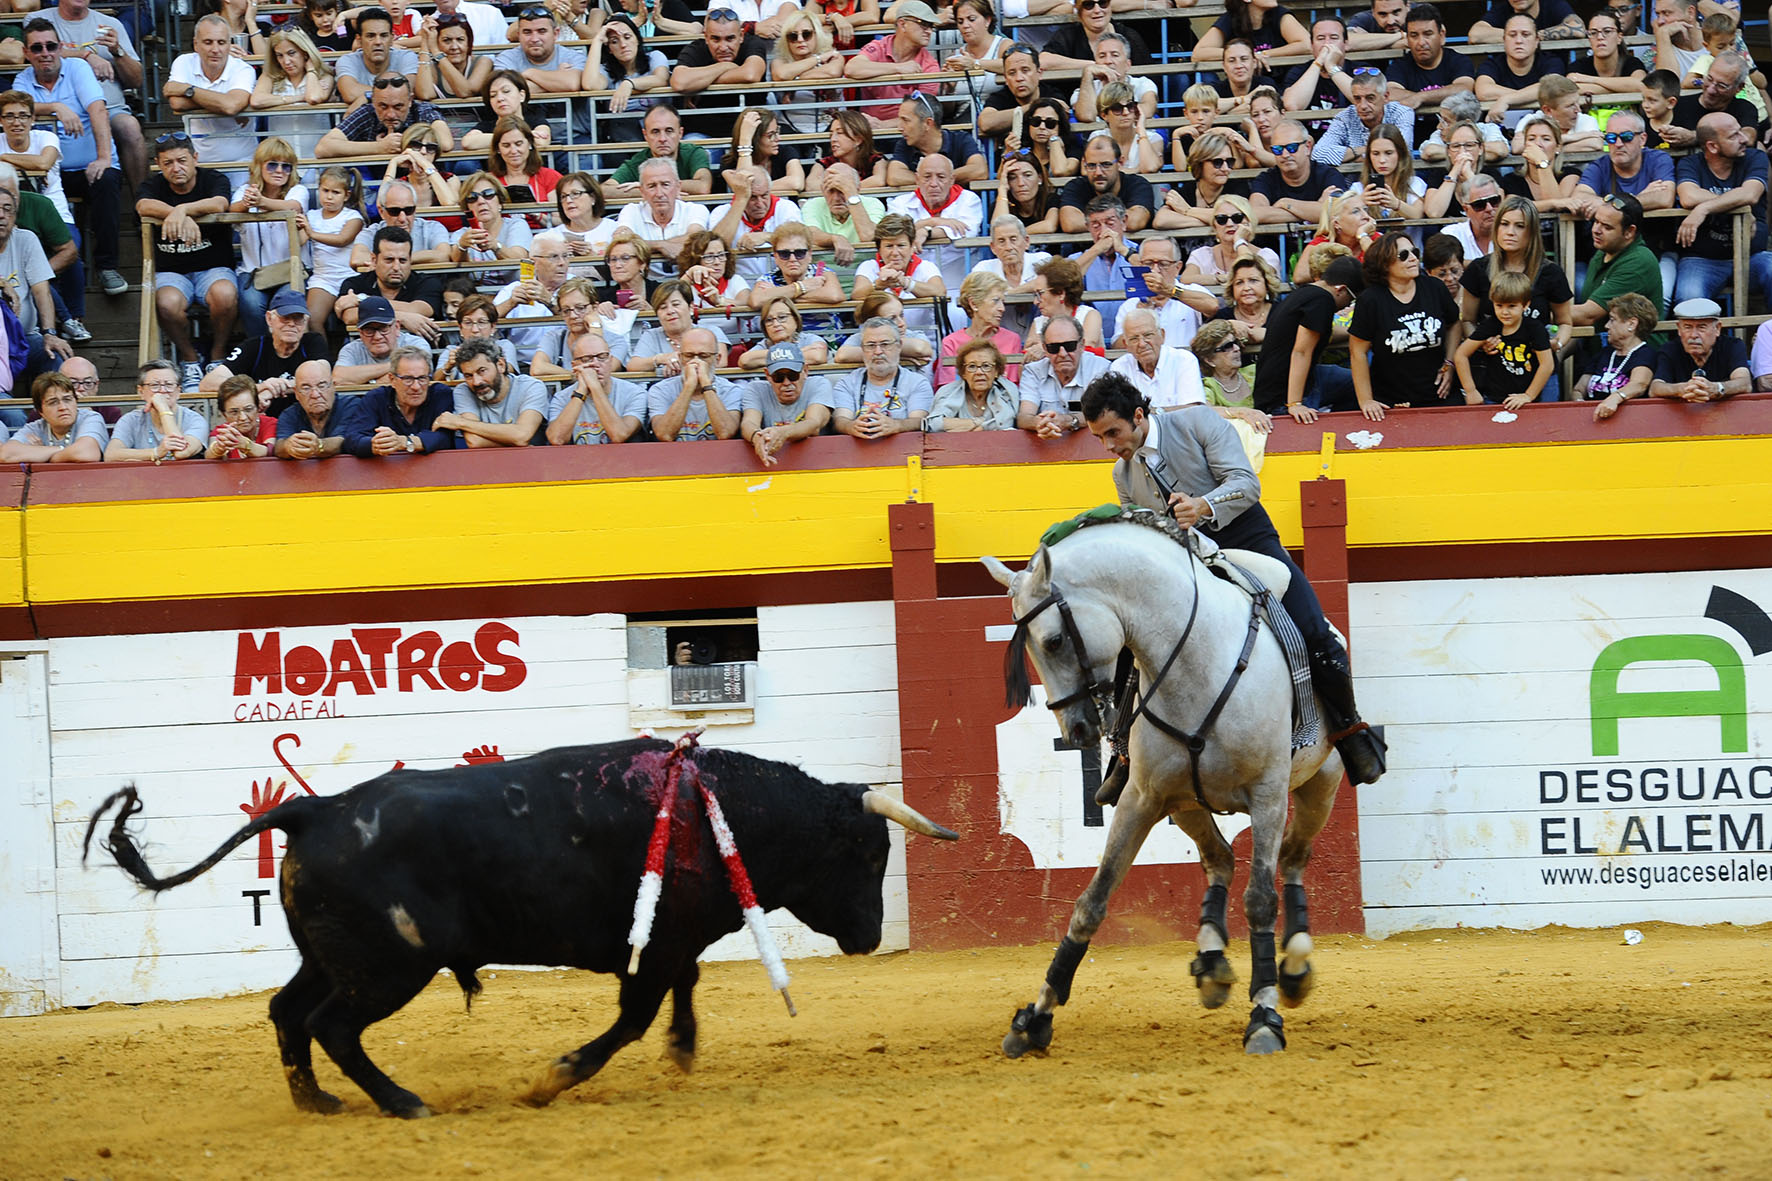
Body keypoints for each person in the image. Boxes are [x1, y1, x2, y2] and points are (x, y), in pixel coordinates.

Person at [1078, 372, 1387, 797]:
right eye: (1100, 438)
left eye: (1113, 432)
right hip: (1187, 567)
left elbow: (1246, 483)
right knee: (1131, 648)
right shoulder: (1122, 473)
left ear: (1138, 415)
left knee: (1312, 628)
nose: (1110, 445)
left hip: (1247, 540)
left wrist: (1203, 505)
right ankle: (1125, 754)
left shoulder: (1199, 423)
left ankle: (1351, 730)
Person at [12, 18, 122, 301]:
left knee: (107, 178)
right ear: (27, 53)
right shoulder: (24, 78)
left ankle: (107, 267)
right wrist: (57, 107)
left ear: (61, 47)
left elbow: (98, 110)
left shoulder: (78, 68)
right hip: (48, 172)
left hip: (87, 166)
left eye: (51, 46)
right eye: (37, 48)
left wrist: (103, 158)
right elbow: (12, 105)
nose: (45, 52)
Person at [136, 132, 235, 392]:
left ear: (195, 158)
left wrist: (183, 210)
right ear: (159, 164)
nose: (176, 168)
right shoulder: (153, 186)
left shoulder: (213, 179)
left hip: (213, 268)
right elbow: (143, 206)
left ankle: (217, 356)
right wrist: (176, 213)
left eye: (182, 160)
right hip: (172, 270)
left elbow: (219, 203)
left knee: (225, 295)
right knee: (166, 304)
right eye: (168, 163)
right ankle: (190, 360)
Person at [1460, 194, 1575, 386]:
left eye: (1519, 226)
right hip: (1492, 375)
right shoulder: (1478, 269)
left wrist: (1558, 343)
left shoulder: (1550, 273)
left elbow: (1565, 323)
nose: (1510, 232)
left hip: (1539, 373)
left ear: (1531, 232)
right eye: (1504, 224)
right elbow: (1468, 320)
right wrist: (1483, 342)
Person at [1350, 231, 1461, 419]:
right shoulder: (1371, 300)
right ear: (1384, 264)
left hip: (1439, 394)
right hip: (1390, 399)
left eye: (1414, 252)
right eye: (1403, 255)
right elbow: (1357, 351)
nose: (1413, 259)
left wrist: (1449, 363)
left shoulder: (1434, 287)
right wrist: (1366, 400)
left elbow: (1454, 323)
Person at [49, 0, 148, 200]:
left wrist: (118, 51)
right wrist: (86, 55)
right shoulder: (41, 20)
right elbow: (39, 53)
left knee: (130, 126)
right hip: (61, 110)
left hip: (110, 108)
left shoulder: (111, 24)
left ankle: (142, 205)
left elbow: (137, 80)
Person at [1252, 247, 1363, 421]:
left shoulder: (1304, 293)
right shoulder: (1322, 301)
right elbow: (1301, 352)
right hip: (1283, 394)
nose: (1346, 306)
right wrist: (1294, 404)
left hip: (1282, 381)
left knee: (1357, 383)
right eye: (1351, 299)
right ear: (1340, 289)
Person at [1673, 112, 1772, 306]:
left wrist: (1704, 209)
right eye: (1733, 136)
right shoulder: (1690, 164)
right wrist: (1737, 204)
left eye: (1740, 132)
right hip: (1702, 260)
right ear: (1712, 146)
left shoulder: (1755, 157)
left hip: (1753, 257)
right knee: (1688, 299)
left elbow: (1750, 194)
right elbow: (1688, 196)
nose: (1744, 139)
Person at [199, 287, 330, 411]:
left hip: (302, 421)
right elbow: (208, 384)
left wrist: (272, 390)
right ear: (269, 319)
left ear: (305, 322)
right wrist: (257, 388)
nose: (291, 324)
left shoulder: (313, 342)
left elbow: (325, 376)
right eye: (285, 318)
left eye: (298, 319)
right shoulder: (255, 346)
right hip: (261, 423)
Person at [228, 136, 305, 336]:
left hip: (288, 270)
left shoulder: (298, 190)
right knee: (252, 305)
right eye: (272, 165)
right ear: (259, 166)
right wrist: (247, 203)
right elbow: (231, 210)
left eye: (286, 166)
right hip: (253, 272)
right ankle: (261, 351)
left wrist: (260, 201)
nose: (279, 171)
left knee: (286, 306)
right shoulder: (246, 190)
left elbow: (293, 207)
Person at [1453, 268, 1552, 410]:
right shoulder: (1491, 325)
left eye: (1512, 306)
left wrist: (1528, 395)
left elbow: (1547, 364)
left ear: (1525, 305)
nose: (1505, 312)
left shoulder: (1534, 328)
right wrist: (1470, 391)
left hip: (1528, 399)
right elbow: (1461, 354)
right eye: (1499, 305)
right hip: (1493, 398)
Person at [164, 15, 256, 167]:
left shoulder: (242, 69)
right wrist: (220, 101)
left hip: (242, 163)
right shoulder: (184, 62)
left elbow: (230, 106)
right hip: (198, 165)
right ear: (196, 44)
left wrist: (189, 90)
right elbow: (177, 103)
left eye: (221, 42)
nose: (215, 49)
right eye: (208, 42)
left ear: (229, 44)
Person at [887, 153, 985, 290]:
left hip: (958, 279)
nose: (934, 184)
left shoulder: (968, 199)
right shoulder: (900, 202)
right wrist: (933, 222)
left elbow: (966, 231)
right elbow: (893, 232)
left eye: (941, 177)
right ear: (917, 179)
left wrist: (926, 232)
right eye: (927, 177)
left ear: (952, 180)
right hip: (913, 278)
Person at [1572, 192, 1665, 334]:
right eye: (1596, 222)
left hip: (1635, 354)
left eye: (1607, 227)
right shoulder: (1603, 252)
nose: (1596, 230)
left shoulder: (1638, 262)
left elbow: (1588, 315)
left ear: (1629, 232)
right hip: (1603, 351)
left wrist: (1537, 312)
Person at [343, 344, 458, 456]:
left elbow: (445, 438)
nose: (416, 387)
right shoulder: (376, 398)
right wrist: (376, 444)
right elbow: (352, 439)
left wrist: (405, 442)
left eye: (422, 378)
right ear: (392, 380)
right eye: (408, 379)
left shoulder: (440, 394)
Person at [670, 9, 768, 138]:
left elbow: (750, 74)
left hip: (750, 132)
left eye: (730, 39)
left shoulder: (753, 43)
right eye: (716, 39)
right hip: (703, 132)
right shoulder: (696, 48)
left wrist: (701, 82)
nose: (723, 47)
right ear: (706, 37)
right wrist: (725, 66)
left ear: (741, 36)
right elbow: (679, 82)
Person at [434, 336, 549, 447]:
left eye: (482, 371)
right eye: (468, 376)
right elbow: (474, 441)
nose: (476, 382)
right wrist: (517, 444)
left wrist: (460, 422)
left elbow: (522, 435)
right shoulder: (464, 391)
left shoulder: (531, 386)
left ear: (501, 365)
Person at [843, 0, 939, 128]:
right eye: (924, 24)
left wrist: (883, 125)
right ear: (902, 24)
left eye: (931, 26)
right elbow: (851, 68)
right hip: (868, 128)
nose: (929, 31)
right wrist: (898, 68)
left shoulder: (930, 65)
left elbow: (923, 112)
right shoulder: (879, 46)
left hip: (908, 131)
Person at [336, 225, 443, 340]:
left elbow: (416, 309)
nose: (396, 267)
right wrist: (402, 317)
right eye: (389, 260)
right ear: (374, 260)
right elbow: (349, 315)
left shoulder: (428, 282)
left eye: (402, 260)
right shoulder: (354, 283)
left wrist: (363, 300)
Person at [315, 70, 454, 158]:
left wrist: (404, 143)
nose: (390, 114)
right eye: (383, 106)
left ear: (410, 100)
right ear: (373, 101)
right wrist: (379, 147)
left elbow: (446, 143)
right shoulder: (367, 112)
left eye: (398, 106)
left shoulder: (422, 110)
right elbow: (323, 148)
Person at [833, 316, 933, 437]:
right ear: (862, 349)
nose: (878, 351)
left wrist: (896, 426)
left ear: (899, 346)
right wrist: (851, 426)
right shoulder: (847, 383)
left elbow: (920, 421)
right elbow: (840, 420)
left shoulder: (917, 382)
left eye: (885, 344)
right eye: (870, 345)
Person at [741, 340, 837, 464]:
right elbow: (748, 422)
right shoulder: (756, 389)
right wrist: (756, 437)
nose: (786, 383)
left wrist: (783, 433)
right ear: (768, 375)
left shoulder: (818, 384)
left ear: (805, 371)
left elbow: (814, 424)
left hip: (819, 460)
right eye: (778, 377)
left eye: (793, 375)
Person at [545, 329, 647, 446]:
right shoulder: (561, 398)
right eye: (587, 359)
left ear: (610, 361)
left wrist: (595, 388)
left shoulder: (634, 393)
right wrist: (580, 392)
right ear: (574, 366)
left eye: (602, 357)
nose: (596, 364)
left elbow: (619, 435)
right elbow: (557, 439)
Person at [1016, 313, 1108, 435]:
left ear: (1082, 345)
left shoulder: (1100, 368)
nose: (1062, 353)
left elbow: (1103, 414)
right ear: (1045, 349)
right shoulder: (1033, 371)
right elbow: (1024, 417)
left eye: (1069, 346)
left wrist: (1068, 421)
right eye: (1054, 347)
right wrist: (1041, 423)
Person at [250, 29, 334, 162]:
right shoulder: (270, 76)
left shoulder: (324, 76)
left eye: (291, 53)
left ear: (304, 52)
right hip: (281, 163)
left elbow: (313, 97)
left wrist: (311, 69)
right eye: (279, 55)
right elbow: (257, 100)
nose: (286, 61)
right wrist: (298, 98)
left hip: (316, 160)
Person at [1114, 236, 1210, 351]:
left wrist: (1171, 291)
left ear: (1178, 268)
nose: (1155, 270)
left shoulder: (1192, 290)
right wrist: (1138, 320)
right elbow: (1117, 346)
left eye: (1163, 263)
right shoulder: (1131, 304)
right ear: (1140, 265)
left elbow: (1213, 306)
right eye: (1149, 263)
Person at [298, 165, 365, 330]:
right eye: (325, 190)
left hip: (350, 276)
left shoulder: (353, 217)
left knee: (353, 320)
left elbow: (342, 239)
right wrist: (298, 223)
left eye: (336, 192)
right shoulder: (312, 216)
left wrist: (312, 233)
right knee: (312, 321)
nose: (329, 197)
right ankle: (322, 356)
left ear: (346, 195)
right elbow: (300, 241)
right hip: (323, 279)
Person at [616, 158, 708, 278]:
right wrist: (660, 245)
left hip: (688, 282)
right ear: (642, 192)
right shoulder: (632, 210)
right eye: (652, 186)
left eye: (665, 184)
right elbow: (621, 243)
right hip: (645, 282)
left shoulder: (695, 209)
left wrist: (645, 245)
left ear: (678, 187)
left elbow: (696, 240)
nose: (659, 193)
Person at [648, 326, 742, 442]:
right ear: (680, 357)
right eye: (689, 356)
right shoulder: (660, 390)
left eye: (704, 356)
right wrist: (689, 387)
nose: (696, 362)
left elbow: (725, 433)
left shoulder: (731, 390)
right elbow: (665, 435)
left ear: (717, 359)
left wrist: (706, 384)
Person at [1647, 297, 1750, 402]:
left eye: (1701, 327)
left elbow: (1744, 383)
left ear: (1717, 329)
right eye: (1687, 327)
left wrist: (1717, 388)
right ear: (1679, 329)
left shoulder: (1732, 346)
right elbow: (1655, 388)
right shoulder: (1670, 349)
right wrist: (1682, 389)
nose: (1693, 335)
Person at [711, 165, 801, 283]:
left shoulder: (786, 207)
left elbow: (800, 240)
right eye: (752, 197)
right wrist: (741, 200)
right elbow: (714, 245)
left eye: (764, 196)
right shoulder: (721, 211)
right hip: (738, 286)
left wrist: (769, 236)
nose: (759, 204)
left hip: (780, 283)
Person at [104, 360, 208, 462]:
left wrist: (163, 409)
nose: (162, 391)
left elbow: (180, 453)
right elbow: (110, 455)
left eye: (169, 385)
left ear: (178, 391)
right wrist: (156, 452)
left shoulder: (194, 420)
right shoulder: (131, 419)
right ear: (141, 392)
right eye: (154, 385)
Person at [602, 103, 712, 199]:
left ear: (680, 133)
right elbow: (604, 191)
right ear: (645, 135)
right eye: (655, 132)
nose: (662, 138)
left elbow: (703, 186)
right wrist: (646, 190)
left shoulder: (693, 153)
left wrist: (649, 186)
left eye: (669, 131)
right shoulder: (638, 161)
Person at [1476, 14, 1567, 126]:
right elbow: (1483, 91)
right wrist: (1529, 96)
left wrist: (1506, 99)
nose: (1519, 40)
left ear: (1537, 40)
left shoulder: (1551, 61)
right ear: (1504, 40)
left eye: (1525, 35)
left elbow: (1550, 87)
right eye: (1512, 35)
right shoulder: (1492, 64)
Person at [1579, 291, 1657, 418]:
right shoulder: (1605, 353)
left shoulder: (1645, 354)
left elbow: (1639, 384)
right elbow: (1579, 389)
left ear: (1632, 324)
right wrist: (1579, 405)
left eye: (1612, 320)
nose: (1606, 326)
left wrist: (1615, 398)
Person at [1109, 307, 1206, 409]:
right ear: (1126, 344)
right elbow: (1119, 413)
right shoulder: (1119, 367)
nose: (1142, 344)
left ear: (1162, 336)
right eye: (1134, 339)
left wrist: (1154, 414)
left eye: (1148, 335)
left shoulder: (1184, 360)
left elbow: (1192, 409)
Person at [1250, 121, 1342, 227]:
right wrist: (1313, 212)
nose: (1285, 155)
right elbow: (1255, 214)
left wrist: (1285, 203)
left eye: (1292, 147)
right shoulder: (1266, 179)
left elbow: (1335, 212)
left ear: (1308, 147)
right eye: (1278, 149)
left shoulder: (1328, 175)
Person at [1312, 69, 1413, 165]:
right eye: (1357, 98)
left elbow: (1401, 150)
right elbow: (1318, 153)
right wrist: (1360, 151)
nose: (1363, 106)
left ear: (1385, 97)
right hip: (1355, 181)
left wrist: (1350, 157)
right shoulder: (1345, 117)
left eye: (1370, 98)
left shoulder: (1401, 112)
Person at [0, 369, 103, 462]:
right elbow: (5, 454)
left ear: (76, 402)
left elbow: (85, 453)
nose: (63, 407)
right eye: (53, 402)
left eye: (67, 399)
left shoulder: (90, 418)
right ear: (40, 411)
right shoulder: (36, 427)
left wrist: (42, 455)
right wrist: (61, 450)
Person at [936, 271, 1019, 387]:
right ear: (973, 304)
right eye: (995, 301)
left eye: (1003, 302)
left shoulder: (1012, 340)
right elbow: (947, 390)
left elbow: (1012, 388)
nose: (1002, 308)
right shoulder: (951, 343)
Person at [771, 8, 844, 136]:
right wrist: (818, 59)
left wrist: (795, 78)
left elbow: (833, 72)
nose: (800, 40)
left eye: (806, 34)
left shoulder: (833, 55)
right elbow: (781, 74)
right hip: (790, 126)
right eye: (793, 36)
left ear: (817, 35)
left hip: (832, 125)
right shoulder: (780, 60)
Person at [1057, 135, 1153, 232]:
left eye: (1106, 164)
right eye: (1091, 165)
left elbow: (1135, 221)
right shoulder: (1075, 186)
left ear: (1120, 162)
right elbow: (1070, 223)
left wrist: (1093, 222)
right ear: (1084, 164)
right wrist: (1113, 221)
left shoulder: (1137, 184)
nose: (1098, 172)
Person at [350, 178, 451, 271]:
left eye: (408, 210)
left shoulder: (432, 228)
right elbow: (356, 259)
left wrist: (392, 261)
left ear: (415, 210)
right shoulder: (371, 232)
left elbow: (444, 255)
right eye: (394, 211)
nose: (402, 218)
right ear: (381, 212)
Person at [1669, 52, 1762, 151]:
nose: (1711, 90)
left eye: (1721, 86)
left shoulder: (1744, 108)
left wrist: (1695, 137)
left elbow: (1748, 138)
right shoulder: (1678, 105)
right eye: (1709, 79)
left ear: (1739, 87)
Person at [1386, 3, 1474, 107]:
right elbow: (1390, 93)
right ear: (1407, 39)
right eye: (1414, 36)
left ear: (1441, 36)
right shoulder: (1400, 65)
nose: (1421, 42)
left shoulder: (1458, 61)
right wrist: (1433, 97)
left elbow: (1464, 89)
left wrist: (1421, 98)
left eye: (1428, 34)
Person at [890, 92, 986, 185]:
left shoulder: (961, 139)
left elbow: (979, 170)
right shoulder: (904, 145)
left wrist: (937, 179)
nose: (900, 128)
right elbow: (894, 176)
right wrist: (935, 179)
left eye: (906, 120)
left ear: (928, 123)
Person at [335, 6, 422, 107]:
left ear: (391, 38)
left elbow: (407, 90)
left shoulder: (406, 57)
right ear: (359, 40)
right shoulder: (347, 60)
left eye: (384, 35)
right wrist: (393, 91)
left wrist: (366, 96)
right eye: (370, 36)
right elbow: (350, 93)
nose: (378, 42)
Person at [450, 173, 534, 276]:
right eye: (472, 197)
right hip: (474, 290)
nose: (481, 201)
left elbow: (519, 259)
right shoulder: (462, 234)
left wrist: (495, 246)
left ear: (500, 202)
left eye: (488, 194)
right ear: (467, 208)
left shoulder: (516, 225)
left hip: (513, 290)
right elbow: (455, 265)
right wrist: (462, 247)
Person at [928, 338, 1019, 431]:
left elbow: (1006, 424)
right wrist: (974, 423)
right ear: (963, 373)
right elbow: (934, 424)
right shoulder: (948, 392)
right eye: (972, 366)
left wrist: (979, 427)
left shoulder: (1007, 392)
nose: (979, 372)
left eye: (986, 366)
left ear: (996, 371)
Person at [334, 296, 430, 384]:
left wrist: (365, 381)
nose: (377, 336)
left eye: (383, 328)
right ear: (360, 333)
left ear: (396, 327)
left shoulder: (415, 344)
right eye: (369, 330)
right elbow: (338, 378)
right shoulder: (351, 349)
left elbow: (416, 372)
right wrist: (397, 366)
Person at [800, 163, 883, 262]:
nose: (836, 198)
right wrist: (835, 239)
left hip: (865, 269)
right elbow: (811, 234)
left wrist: (851, 194)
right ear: (822, 190)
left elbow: (868, 235)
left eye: (841, 191)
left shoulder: (873, 203)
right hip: (823, 272)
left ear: (857, 189)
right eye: (831, 191)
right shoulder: (813, 204)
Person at [274, 360, 353, 460]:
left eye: (322, 386)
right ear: (296, 393)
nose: (315, 394)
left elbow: (344, 441)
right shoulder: (289, 414)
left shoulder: (350, 405)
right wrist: (288, 446)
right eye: (306, 388)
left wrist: (319, 445)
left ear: (334, 386)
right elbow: (279, 446)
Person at [460, 70, 552, 154]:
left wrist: (493, 140)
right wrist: (525, 135)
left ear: (521, 95)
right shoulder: (486, 126)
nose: (500, 98)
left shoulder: (536, 121)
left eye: (506, 91)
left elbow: (541, 141)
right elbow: (467, 142)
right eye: (493, 95)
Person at [1347, 124, 1426, 221]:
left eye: (1388, 153)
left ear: (1400, 154)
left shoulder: (1414, 183)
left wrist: (1396, 204)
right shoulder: (1358, 188)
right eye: (1376, 153)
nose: (1382, 160)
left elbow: (1418, 214)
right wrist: (1360, 202)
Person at [1568, 7, 1647, 99]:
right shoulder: (1579, 66)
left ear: (1619, 37)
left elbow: (1642, 85)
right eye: (1593, 33)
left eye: (1607, 31)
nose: (1600, 37)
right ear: (1589, 40)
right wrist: (1623, 88)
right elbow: (1572, 89)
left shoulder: (1631, 63)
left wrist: (1590, 80)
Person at [805, 110, 890, 194]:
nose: (833, 139)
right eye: (831, 134)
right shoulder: (824, 163)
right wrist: (846, 190)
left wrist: (844, 189)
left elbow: (879, 180)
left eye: (840, 133)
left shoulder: (876, 160)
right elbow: (811, 186)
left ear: (858, 139)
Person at [737, 296, 828, 369]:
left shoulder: (809, 339)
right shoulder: (765, 344)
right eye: (769, 320)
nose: (776, 324)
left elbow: (817, 356)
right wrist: (800, 352)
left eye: (782, 317)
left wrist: (773, 356)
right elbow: (745, 360)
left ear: (796, 320)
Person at [423, 10, 494, 100]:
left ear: (469, 42)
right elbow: (425, 94)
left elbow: (465, 92)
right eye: (446, 40)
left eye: (460, 39)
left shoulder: (483, 62)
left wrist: (436, 52)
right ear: (437, 42)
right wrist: (425, 41)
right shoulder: (432, 67)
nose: (454, 47)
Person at [203, 375, 274, 459]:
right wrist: (218, 449)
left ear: (258, 407)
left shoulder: (270, 424)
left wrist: (245, 444)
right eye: (234, 412)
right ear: (224, 414)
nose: (243, 417)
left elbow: (271, 451)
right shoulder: (222, 432)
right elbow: (209, 455)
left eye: (248, 409)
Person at [994, 148, 1058, 236]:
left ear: (1040, 178)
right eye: (1012, 177)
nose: (1021, 183)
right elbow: (998, 232)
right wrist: (1002, 189)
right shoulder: (1002, 203)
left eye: (1027, 175)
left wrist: (1015, 234)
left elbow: (1049, 226)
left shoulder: (1052, 199)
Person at [1467, 0, 1584, 43]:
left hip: (1552, 73)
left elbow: (1578, 29)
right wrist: (1525, 36)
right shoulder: (1502, 8)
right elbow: (1475, 35)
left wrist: (1533, 36)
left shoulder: (1552, 3)